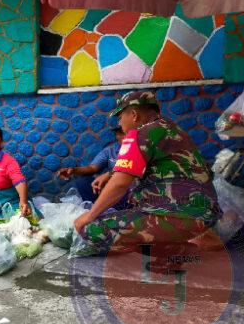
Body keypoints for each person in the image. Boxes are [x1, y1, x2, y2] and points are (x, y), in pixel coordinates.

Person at [73, 91, 222, 253]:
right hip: (206, 213)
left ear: (134, 115)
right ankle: (194, 236)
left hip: (177, 217)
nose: (120, 123)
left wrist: (89, 216)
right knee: (130, 211)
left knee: (91, 229)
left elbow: (120, 183)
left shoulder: (138, 135)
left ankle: (179, 246)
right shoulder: (176, 130)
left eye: (120, 117)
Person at [56, 126, 130, 210]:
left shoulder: (141, 150)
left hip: (127, 189)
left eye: (127, 133)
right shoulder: (110, 151)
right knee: (83, 182)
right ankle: (94, 210)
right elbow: (92, 168)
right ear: (116, 135)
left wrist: (109, 174)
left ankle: (121, 209)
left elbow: (131, 168)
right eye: (120, 133)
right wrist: (73, 170)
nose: (125, 136)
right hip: (109, 190)